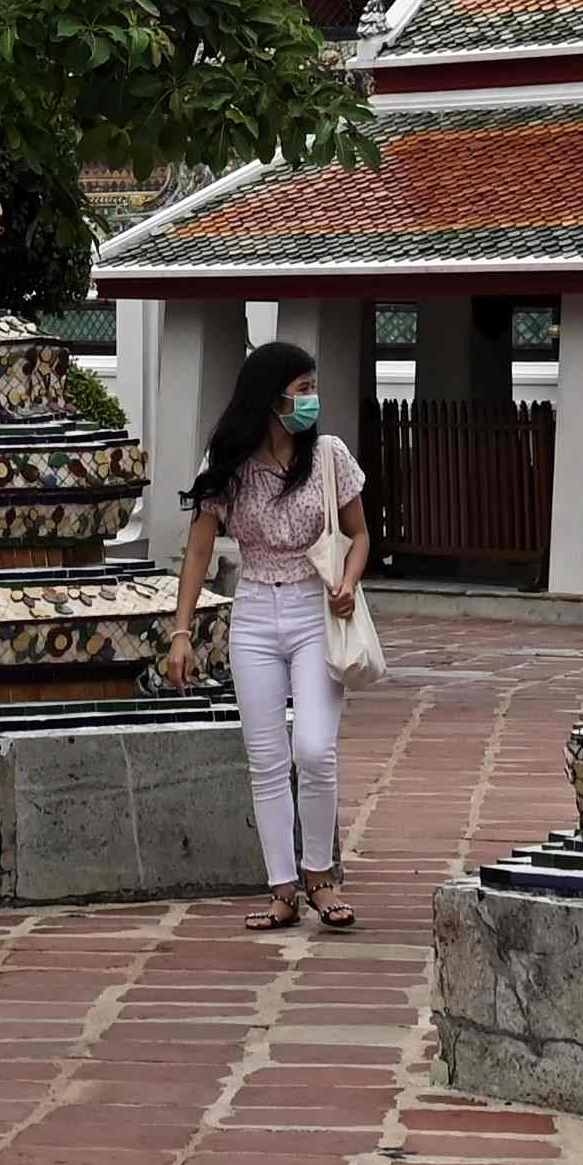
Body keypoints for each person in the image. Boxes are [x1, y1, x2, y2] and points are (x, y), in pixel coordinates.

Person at [164, 335, 372, 933]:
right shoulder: (227, 464)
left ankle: (321, 876)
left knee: (314, 749)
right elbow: (199, 549)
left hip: (316, 610)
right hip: (253, 610)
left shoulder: (328, 455)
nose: (312, 401)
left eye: (313, 389)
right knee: (266, 758)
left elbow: (360, 533)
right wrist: (182, 631)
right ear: (270, 396)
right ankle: (282, 886)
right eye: (302, 390)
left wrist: (349, 582)